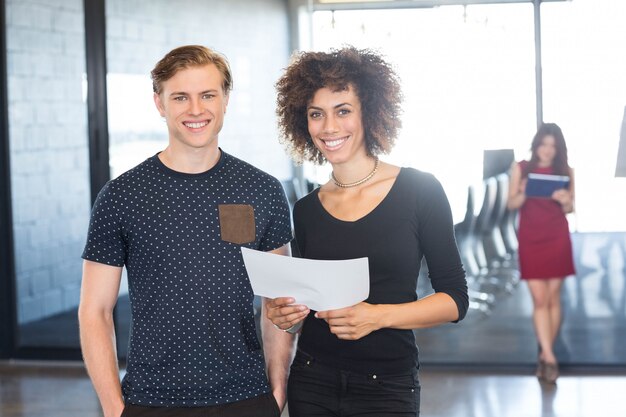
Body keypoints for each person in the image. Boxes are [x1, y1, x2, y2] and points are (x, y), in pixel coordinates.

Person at [78, 45, 295, 417]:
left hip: (246, 396)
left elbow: (279, 303)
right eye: (180, 97)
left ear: (226, 99)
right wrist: (115, 409)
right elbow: (94, 311)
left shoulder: (262, 189)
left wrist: (277, 392)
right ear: (160, 103)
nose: (196, 110)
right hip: (150, 400)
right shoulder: (121, 195)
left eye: (208, 95)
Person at [267, 46, 469, 417]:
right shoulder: (307, 209)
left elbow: (455, 300)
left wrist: (377, 316)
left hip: (388, 384)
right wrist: (287, 315)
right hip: (312, 378)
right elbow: (311, 302)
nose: (329, 127)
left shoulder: (420, 190)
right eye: (316, 114)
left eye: (343, 111)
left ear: (370, 112)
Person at [507, 122, 576, 384]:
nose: (547, 151)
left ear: (558, 149)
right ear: (536, 145)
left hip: (557, 236)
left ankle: (544, 358)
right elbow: (510, 203)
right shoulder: (521, 168)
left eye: (552, 146)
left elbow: (571, 208)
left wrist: (564, 199)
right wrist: (524, 192)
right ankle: (549, 355)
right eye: (544, 144)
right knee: (539, 299)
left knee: (553, 299)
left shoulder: (566, 171)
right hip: (531, 238)